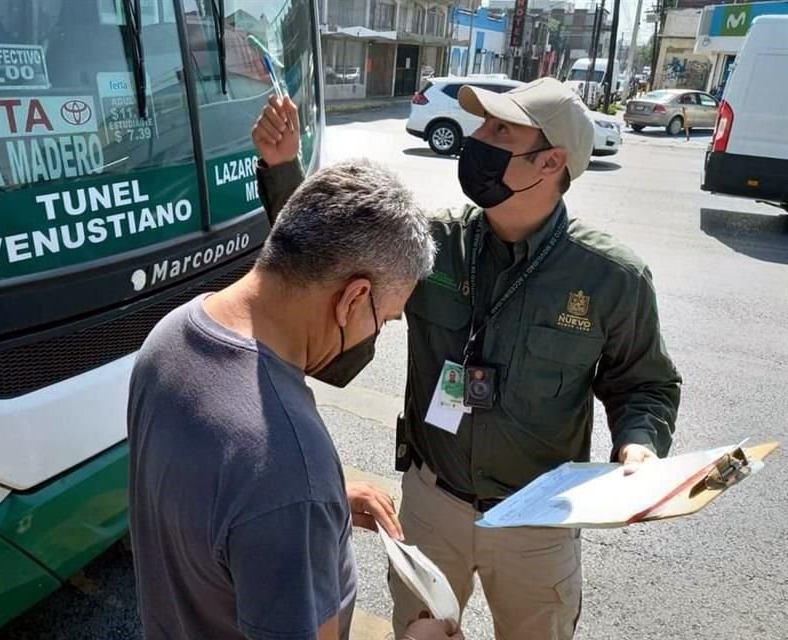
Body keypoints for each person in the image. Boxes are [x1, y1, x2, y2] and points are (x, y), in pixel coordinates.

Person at [252, 79, 682, 640]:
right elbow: (325, 265)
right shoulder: (434, 243)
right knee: (421, 632)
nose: (477, 137)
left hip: (539, 519)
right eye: (481, 124)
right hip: (434, 504)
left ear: (551, 161)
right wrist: (283, 168)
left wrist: (640, 445)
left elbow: (645, 384)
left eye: (500, 129)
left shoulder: (609, 278)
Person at [127, 130, 462, 640]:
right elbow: (270, 481)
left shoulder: (171, 334)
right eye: (386, 318)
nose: (379, 332)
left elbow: (209, 495)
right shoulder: (290, 467)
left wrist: (323, 503)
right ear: (353, 299)